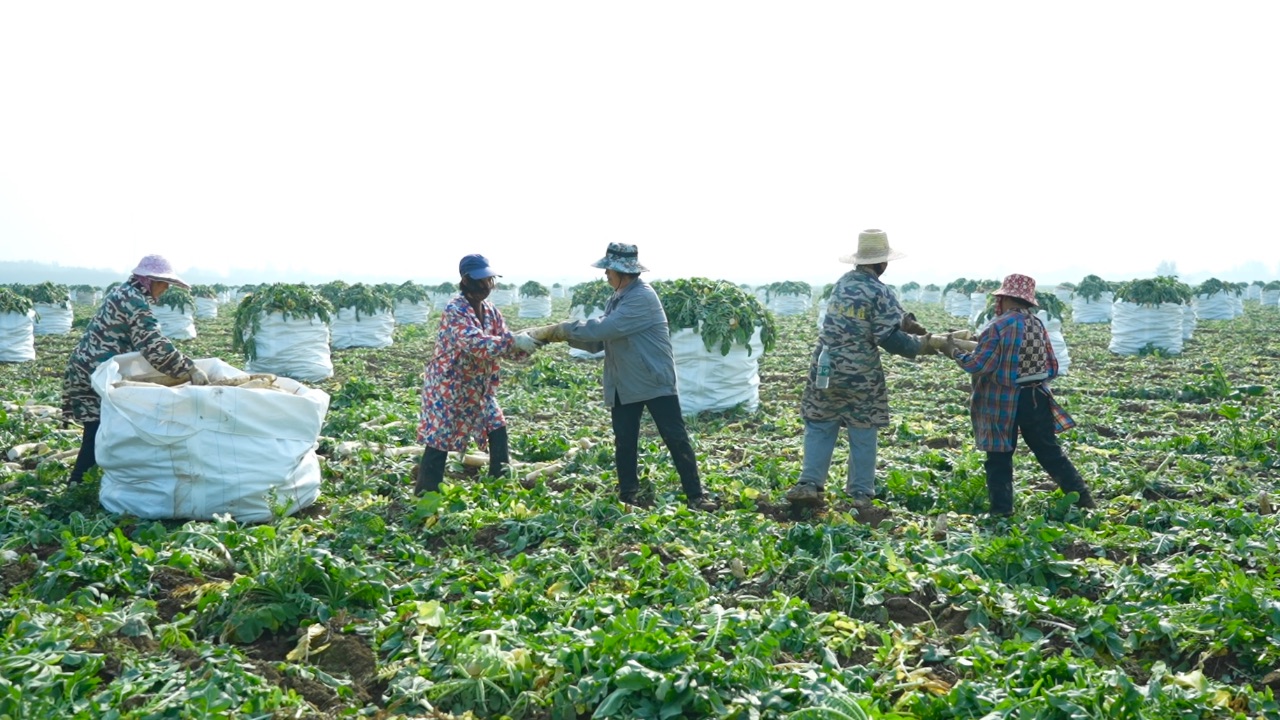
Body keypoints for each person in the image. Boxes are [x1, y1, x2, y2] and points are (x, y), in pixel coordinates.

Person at [528, 243, 716, 511]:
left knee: (674, 436)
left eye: (608, 270)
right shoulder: (618, 297)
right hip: (624, 382)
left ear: (621, 272)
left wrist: (559, 330)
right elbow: (602, 339)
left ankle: (696, 495)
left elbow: (606, 327)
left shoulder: (642, 297)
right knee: (625, 440)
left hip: (653, 379)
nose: (605, 275)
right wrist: (554, 339)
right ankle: (628, 495)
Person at [785, 229, 931, 510]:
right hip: (859, 371)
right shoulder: (879, 290)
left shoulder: (842, 284)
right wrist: (920, 346)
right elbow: (888, 337)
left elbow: (868, 316)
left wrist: (906, 322)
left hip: (825, 366)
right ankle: (860, 492)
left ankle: (808, 483)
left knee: (820, 423)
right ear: (882, 263)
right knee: (863, 427)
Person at [941, 273, 1095, 515]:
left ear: (1005, 299)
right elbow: (1052, 366)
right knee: (1049, 451)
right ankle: (1083, 498)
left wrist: (954, 352)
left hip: (1003, 402)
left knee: (999, 457)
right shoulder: (1036, 324)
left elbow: (979, 365)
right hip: (1036, 397)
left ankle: (1002, 511)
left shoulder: (997, 326)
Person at [62, 254, 209, 485]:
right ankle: (78, 483)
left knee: (101, 428)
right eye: (163, 284)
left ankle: (89, 480)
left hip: (86, 368)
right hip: (92, 373)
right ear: (148, 281)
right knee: (98, 429)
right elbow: (153, 344)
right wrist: (189, 368)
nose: (165, 289)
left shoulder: (123, 293)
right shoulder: (134, 302)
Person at [415, 254, 540, 495]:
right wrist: (514, 341)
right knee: (438, 441)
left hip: (478, 387)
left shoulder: (492, 311)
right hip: (448, 385)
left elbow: (503, 345)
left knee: (497, 426)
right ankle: (425, 495)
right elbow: (474, 343)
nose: (486, 285)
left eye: (489, 280)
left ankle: (500, 484)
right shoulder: (455, 310)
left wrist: (527, 346)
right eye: (481, 280)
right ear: (466, 280)